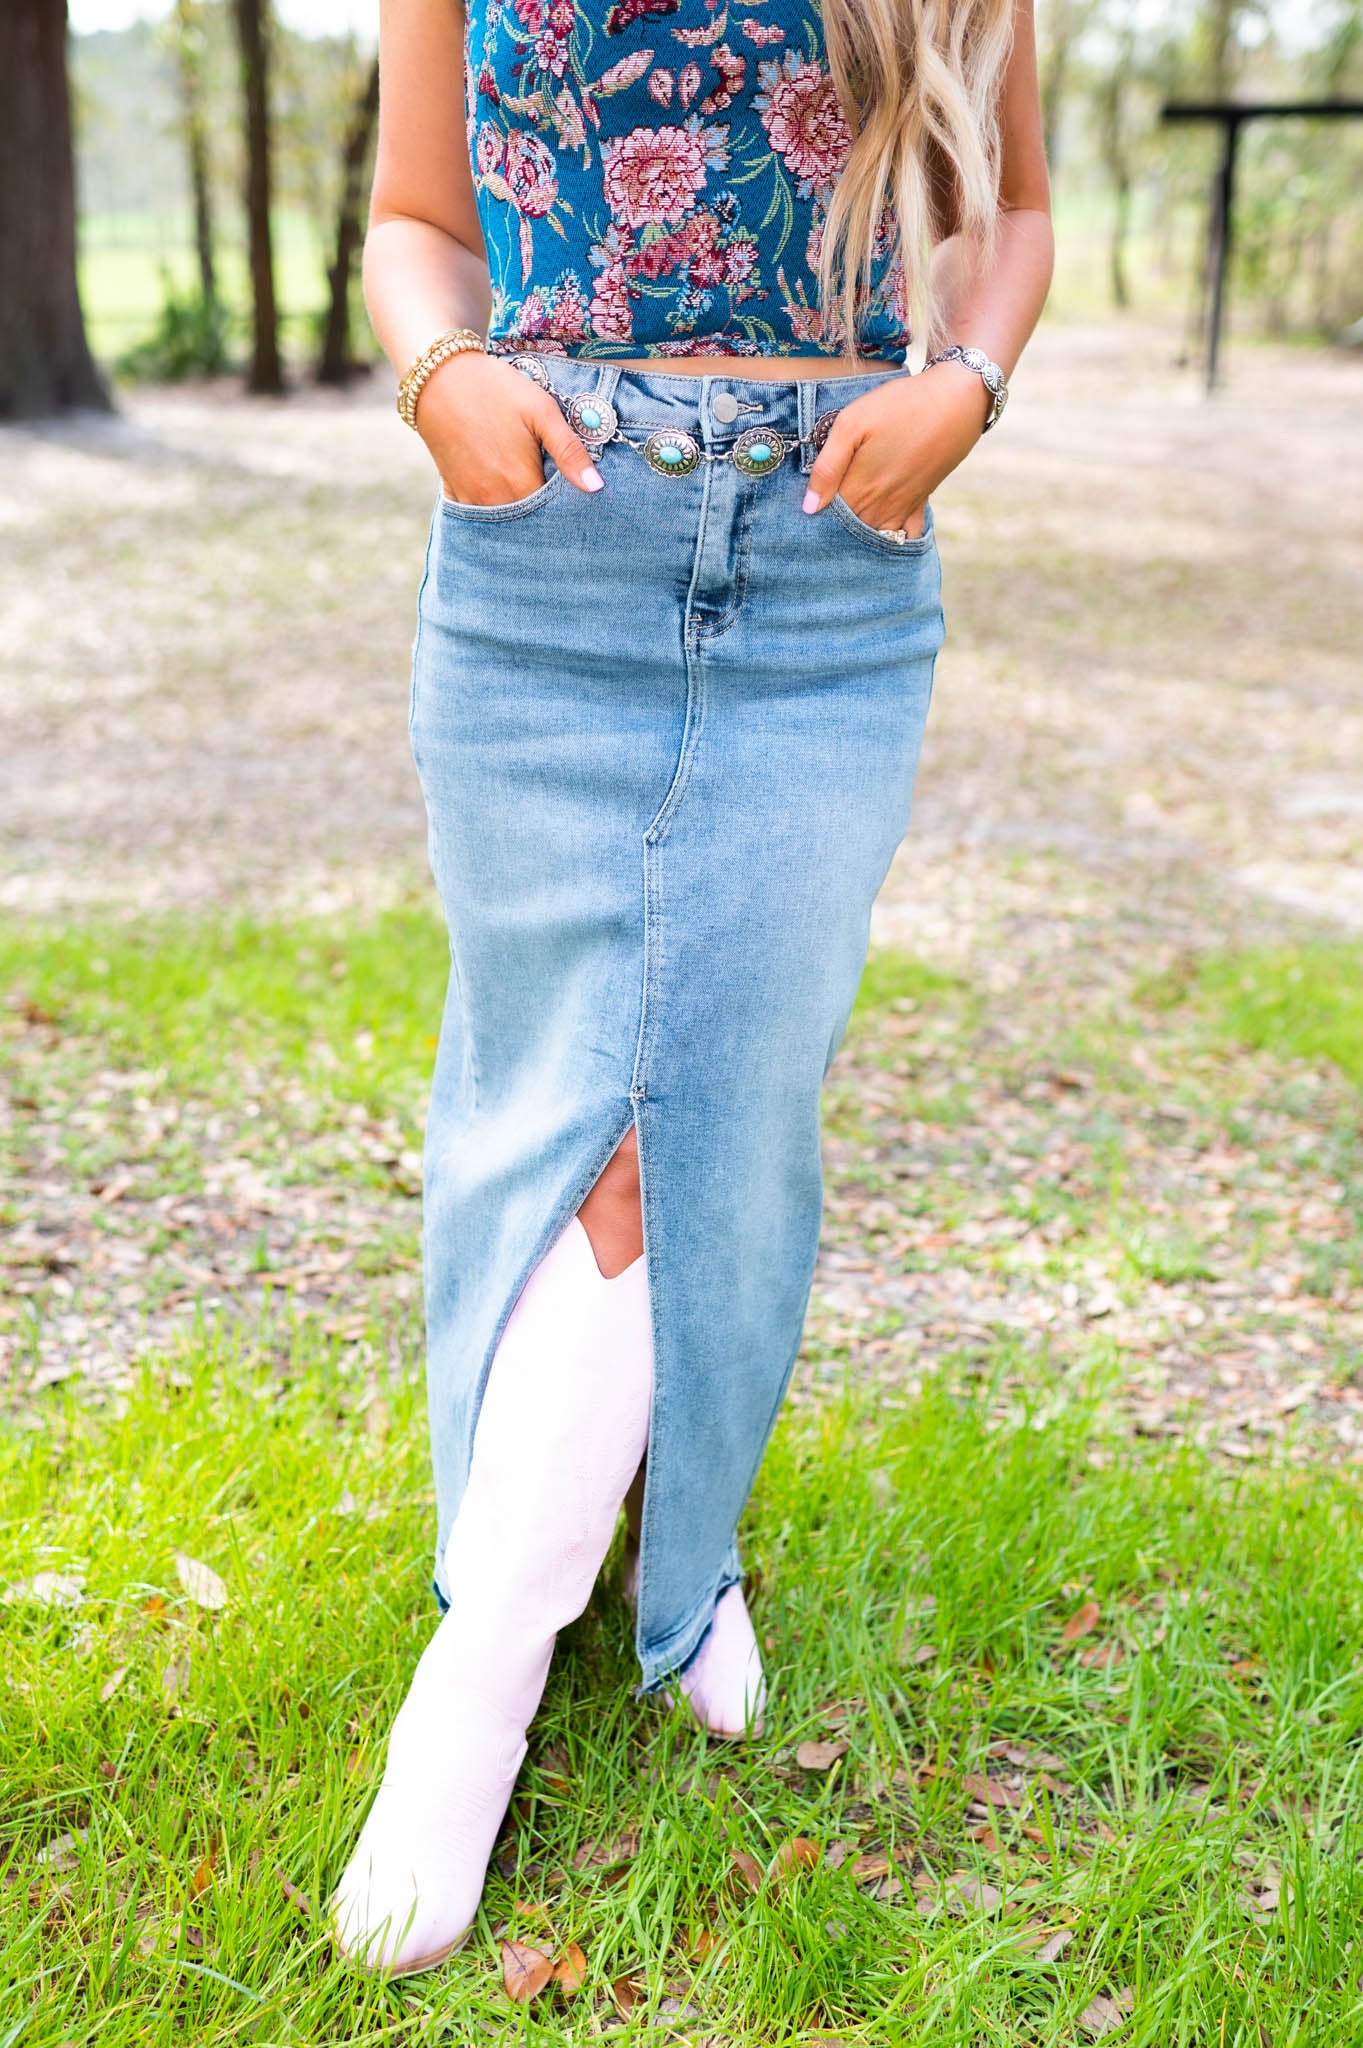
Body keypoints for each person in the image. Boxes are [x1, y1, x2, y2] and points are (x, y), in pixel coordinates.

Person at [331, 0, 1052, 1976]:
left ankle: (668, 1544)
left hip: (830, 560)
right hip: (542, 551)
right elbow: (412, 215)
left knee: (715, 1109)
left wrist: (964, 384)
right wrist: (442, 374)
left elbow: (1016, 218)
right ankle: (492, 1668)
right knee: (569, 1103)